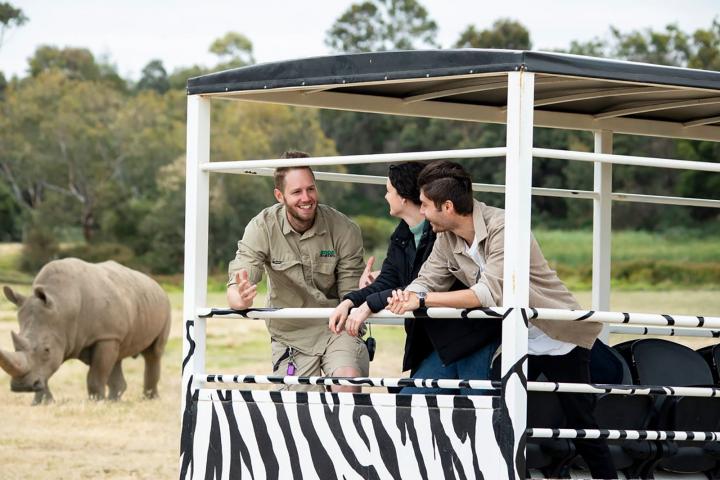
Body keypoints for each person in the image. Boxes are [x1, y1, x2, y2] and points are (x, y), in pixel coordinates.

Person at [386, 160, 616, 479]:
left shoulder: (505, 227)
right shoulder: (447, 237)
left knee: (581, 424)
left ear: (448, 206)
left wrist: (423, 300)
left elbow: (489, 293)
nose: (421, 212)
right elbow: (428, 279)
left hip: (558, 338)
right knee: (496, 410)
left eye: (425, 205)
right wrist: (407, 295)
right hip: (513, 340)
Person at [329, 163, 494, 391]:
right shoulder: (403, 234)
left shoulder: (442, 231)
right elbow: (407, 282)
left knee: (477, 407)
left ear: (404, 197)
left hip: (467, 336)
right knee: (410, 401)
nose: (386, 196)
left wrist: (371, 303)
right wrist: (351, 301)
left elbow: (425, 288)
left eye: (388, 191)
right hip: (435, 342)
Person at [227, 151, 368, 393]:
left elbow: (351, 295)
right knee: (299, 411)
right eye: (297, 192)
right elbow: (237, 283)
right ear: (279, 195)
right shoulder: (261, 227)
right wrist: (240, 299)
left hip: (337, 326)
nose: (306, 198)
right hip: (290, 334)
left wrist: (366, 291)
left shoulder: (344, 229)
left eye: (310, 189)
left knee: (348, 383)